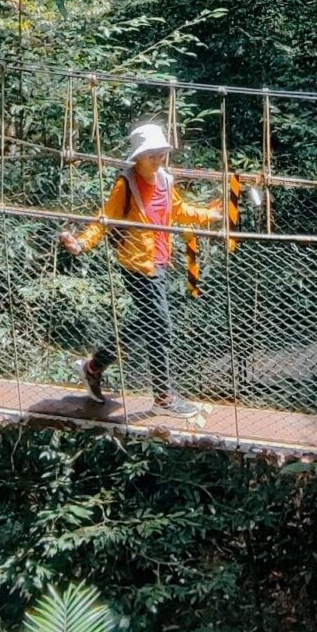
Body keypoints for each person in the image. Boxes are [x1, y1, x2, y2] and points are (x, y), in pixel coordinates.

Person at [60, 119, 238, 420]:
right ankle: (164, 397)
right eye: (152, 154)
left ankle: (93, 367)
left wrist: (210, 214)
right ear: (139, 157)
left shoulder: (165, 180)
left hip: (160, 261)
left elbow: (179, 210)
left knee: (147, 323)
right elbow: (106, 218)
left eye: (160, 153)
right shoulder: (126, 184)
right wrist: (81, 243)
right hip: (136, 265)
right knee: (161, 328)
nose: (157, 159)